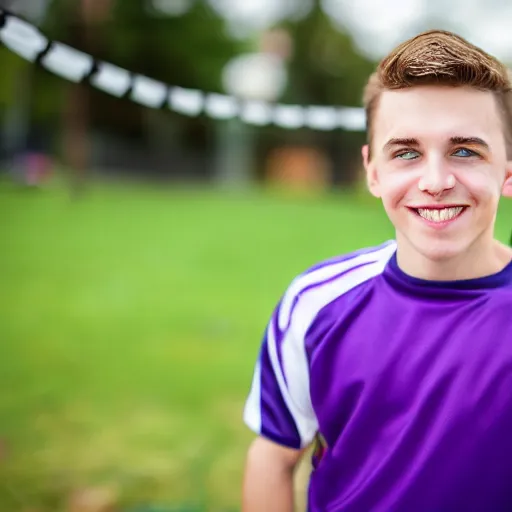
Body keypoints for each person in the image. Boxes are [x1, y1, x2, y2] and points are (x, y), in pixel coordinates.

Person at [241, 29, 512, 512]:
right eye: (406, 152)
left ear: (508, 171)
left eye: (465, 150)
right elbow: (274, 458)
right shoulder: (316, 304)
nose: (435, 182)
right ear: (372, 171)